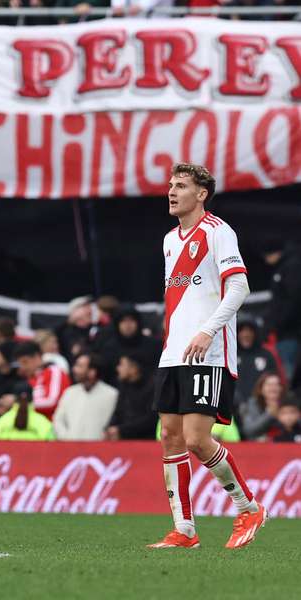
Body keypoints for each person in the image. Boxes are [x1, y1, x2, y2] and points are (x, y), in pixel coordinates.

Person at [148, 163, 265, 551]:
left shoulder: (218, 232)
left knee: (198, 439)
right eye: (170, 184)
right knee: (170, 437)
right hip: (173, 353)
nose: (171, 190)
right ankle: (184, 529)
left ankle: (247, 507)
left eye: (181, 185)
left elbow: (240, 287)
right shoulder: (169, 240)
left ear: (201, 194)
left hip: (208, 351)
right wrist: (172, 342)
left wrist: (207, 331)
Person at [53, 353, 118, 441]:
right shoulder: (70, 392)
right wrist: (66, 437)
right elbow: (58, 420)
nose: (74, 369)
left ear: (92, 372)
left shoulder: (111, 395)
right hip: (70, 449)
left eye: (80, 366)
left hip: (99, 451)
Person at [262, 240, 301, 380]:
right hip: (284, 333)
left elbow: (294, 299)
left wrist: (277, 324)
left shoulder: (291, 267)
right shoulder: (284, 267)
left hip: (289, 333)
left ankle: (289, 398)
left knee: (286, 371)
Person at [98, 306, 161, 381]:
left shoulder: (153, 345)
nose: (128, 325)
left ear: (138, 322)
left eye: (131, 320)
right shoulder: (109, 348)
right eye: (123, 321)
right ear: (117, 324)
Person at [12, 341, 71, 419]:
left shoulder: (54, 371)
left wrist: (19, 404)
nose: (23, 367)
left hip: (54, 426)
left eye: (25, 362)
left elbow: (52, 401)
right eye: (20, 364)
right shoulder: (31, 378)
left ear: (37, 357)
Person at [106, 354, 156, 440]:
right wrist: (110, 428)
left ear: (134, 369)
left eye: (121, 365)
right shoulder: (124, 386)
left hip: (146, 441)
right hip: (123, 440)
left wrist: (121, 430)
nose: (118, 368)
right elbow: (118, 412)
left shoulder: (152, 387)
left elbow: (150, 419)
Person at [235, 319, 279, 409]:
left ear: (256, 333)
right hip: (233, 405)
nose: (246, 334)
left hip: (261, 406)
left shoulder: (266, 355)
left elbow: (274, 379)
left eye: (249, 331)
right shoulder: (230, 354)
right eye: (242, 331)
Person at [238, 372, 283, 441]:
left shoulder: (287, 404)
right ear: (260, 389)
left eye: (277, 385)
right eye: (269, 385)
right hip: (257, 447)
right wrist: (268, 414)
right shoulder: (251, 405)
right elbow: (248, 431)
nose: (273, 388)